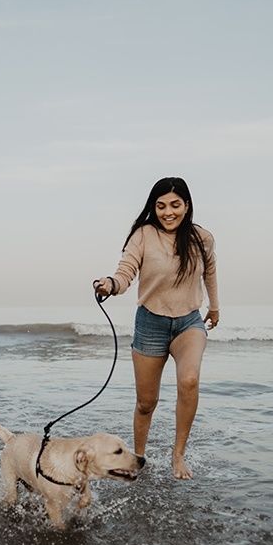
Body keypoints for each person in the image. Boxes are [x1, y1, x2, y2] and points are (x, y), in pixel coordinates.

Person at [94, 177, 218, 479]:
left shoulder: (202, 238)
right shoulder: (144, 235)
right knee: (146, 403)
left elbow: (210, 270)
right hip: (150, 322)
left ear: (186, 206)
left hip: (189, 321)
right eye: (161, 206)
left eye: (175, 205)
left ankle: (178, 455)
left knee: (189, 380)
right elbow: (127, 270)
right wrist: (111, 284)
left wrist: (214, 306)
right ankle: (138, 459)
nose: (168, 212)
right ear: (154, 207)